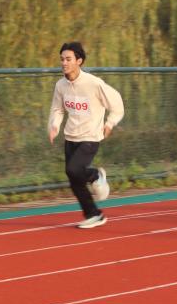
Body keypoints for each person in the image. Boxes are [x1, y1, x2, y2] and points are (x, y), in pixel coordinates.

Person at [48, 42, 124, 229]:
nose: (64, 63)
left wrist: (110, 123)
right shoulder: (61, 85)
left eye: (68, 59)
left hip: (90, 137)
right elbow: (57, 109)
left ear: (79, 61)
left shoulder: (93, 83)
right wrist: (54, 125)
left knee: (73, 170)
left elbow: (117, 103)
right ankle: (94, 215)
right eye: (62, 59)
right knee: (74, 180)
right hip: (70, 137)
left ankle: (96, 175)